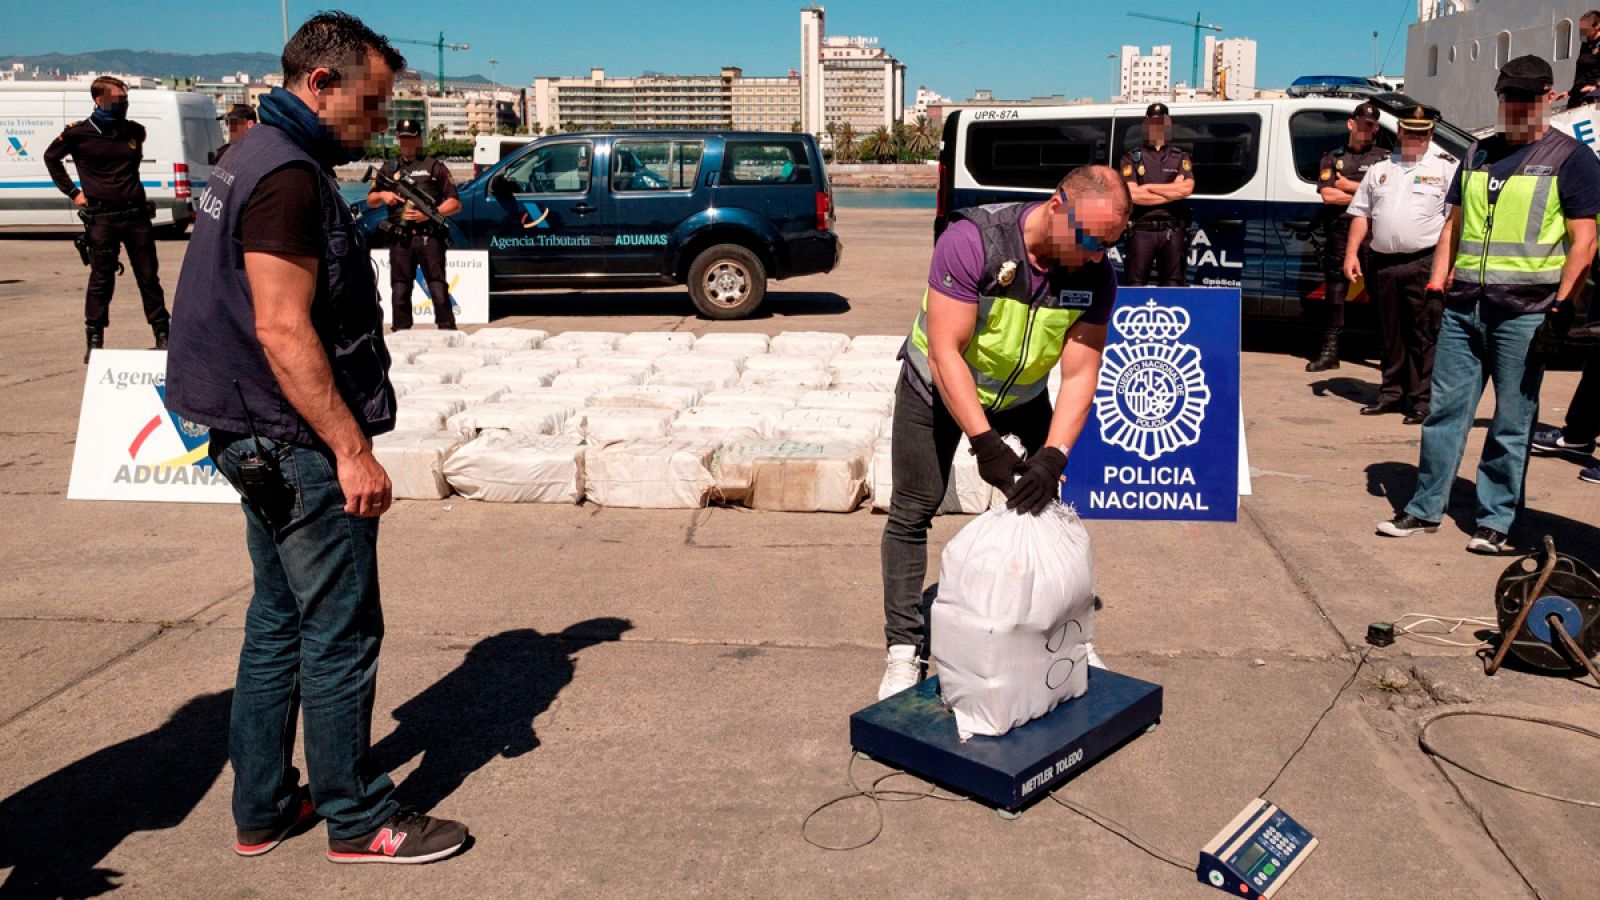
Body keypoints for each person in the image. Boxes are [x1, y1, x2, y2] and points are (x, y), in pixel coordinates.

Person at [164, 12, 469, 864]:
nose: (379, 123)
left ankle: (263, 806)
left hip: (246, 428)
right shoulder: (288, 176)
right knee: (340, 627)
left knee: (277, 617)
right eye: (370, 104)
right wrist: (351, 450)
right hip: (290, 438)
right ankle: (358, 814)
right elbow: (282, 326)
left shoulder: (249, 153)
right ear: (321, 82)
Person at [878, 165, 1130, 699]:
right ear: (1057, 204)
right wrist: (985, 444)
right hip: (936, 388)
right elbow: (946, 352)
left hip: (1022, 397)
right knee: (913, 510)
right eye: (1089, 239)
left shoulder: (1096, 275)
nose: (1095, 256)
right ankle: (903, 647)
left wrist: (1055, 455)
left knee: (1046, 506)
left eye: (1108, 244)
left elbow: (1081, 374)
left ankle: (1065, 636)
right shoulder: (973, 241)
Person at [1378, 56, 1600, 554]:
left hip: (1525, 313)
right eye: (1507, 97)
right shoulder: (1478, 152)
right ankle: (1424, 508)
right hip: (1464, 307)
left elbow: (1584, 241)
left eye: (1525, 98)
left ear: (1547, 97)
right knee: (1443, 413)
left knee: (1511, 423)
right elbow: (1452, 226)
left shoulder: (1572, 158)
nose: (1515, 106)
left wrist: (1561, 309)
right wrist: (1436, 288)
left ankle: (1495, 520)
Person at [42, 76, 171, 363]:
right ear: (99, 100)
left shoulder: (134, 131)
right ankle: (95, 338)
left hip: (136, 214)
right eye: (117, 100)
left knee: (148, 277)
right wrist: (74, 193)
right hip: (102, 216)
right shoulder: (78, 134)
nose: (123, 104)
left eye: (125, 99)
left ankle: (162, 332)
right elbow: (51, 158)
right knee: (101, 279)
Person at [1343, 105, 1454, 424]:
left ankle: (1421, 399)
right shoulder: (1380, 169)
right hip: (1382, 263)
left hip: (1424, 262)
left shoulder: (1446, 168)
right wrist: (1351, 254)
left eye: (1422, 133)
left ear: (1430, 134)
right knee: (1388, 332)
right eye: (1410, 132)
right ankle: (1391, 392)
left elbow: (1454, 222)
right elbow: (1361, 214)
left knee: (1423, 333)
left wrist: (1450, 267)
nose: (1415, 138)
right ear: (1400, 131)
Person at [1306, 101, 1389, 372]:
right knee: (1335, 292)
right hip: (1340, 232)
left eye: (1372, 126)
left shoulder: (1385, 159)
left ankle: (1388, 353)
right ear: (1351, 124)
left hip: (1374, 233)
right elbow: (1329, 195)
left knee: (1380, 293)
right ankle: (1330, 352)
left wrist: (1347, 185)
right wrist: (1365, 193)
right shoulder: (1332, 157)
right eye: (1363, 125)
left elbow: (1386, 196)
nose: (1367, 130)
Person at [367, 118, 461, 330]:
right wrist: (383, 195)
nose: (406, 143)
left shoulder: (434, 167)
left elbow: (455, 203)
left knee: (437, 288)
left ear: (419, 139)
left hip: (429, 236)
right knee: (400, 290)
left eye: (410, 139)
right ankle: (401, 334)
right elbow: (370, 200)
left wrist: (430, 214)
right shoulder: (389, 168)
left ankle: (447, 330)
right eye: (402, 139)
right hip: (400, 238)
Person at [1117, 102, 1192, 288]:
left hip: (1172, 231)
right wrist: (1172, 191)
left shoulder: (1180, 157)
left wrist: (1148, 187)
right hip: (1141, 231)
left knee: (1173, 285)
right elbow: (1133, 195)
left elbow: (1186, 189)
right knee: (1135, 285)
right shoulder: (1132, 157)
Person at [1564, 11, 1600, 108]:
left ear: (1597, 26)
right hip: (1578, 95)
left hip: (1593, 97)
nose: (1583, 30)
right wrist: (1570, 92)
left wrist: (1596, 87)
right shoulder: (1585, 43)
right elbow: (1582, 71)